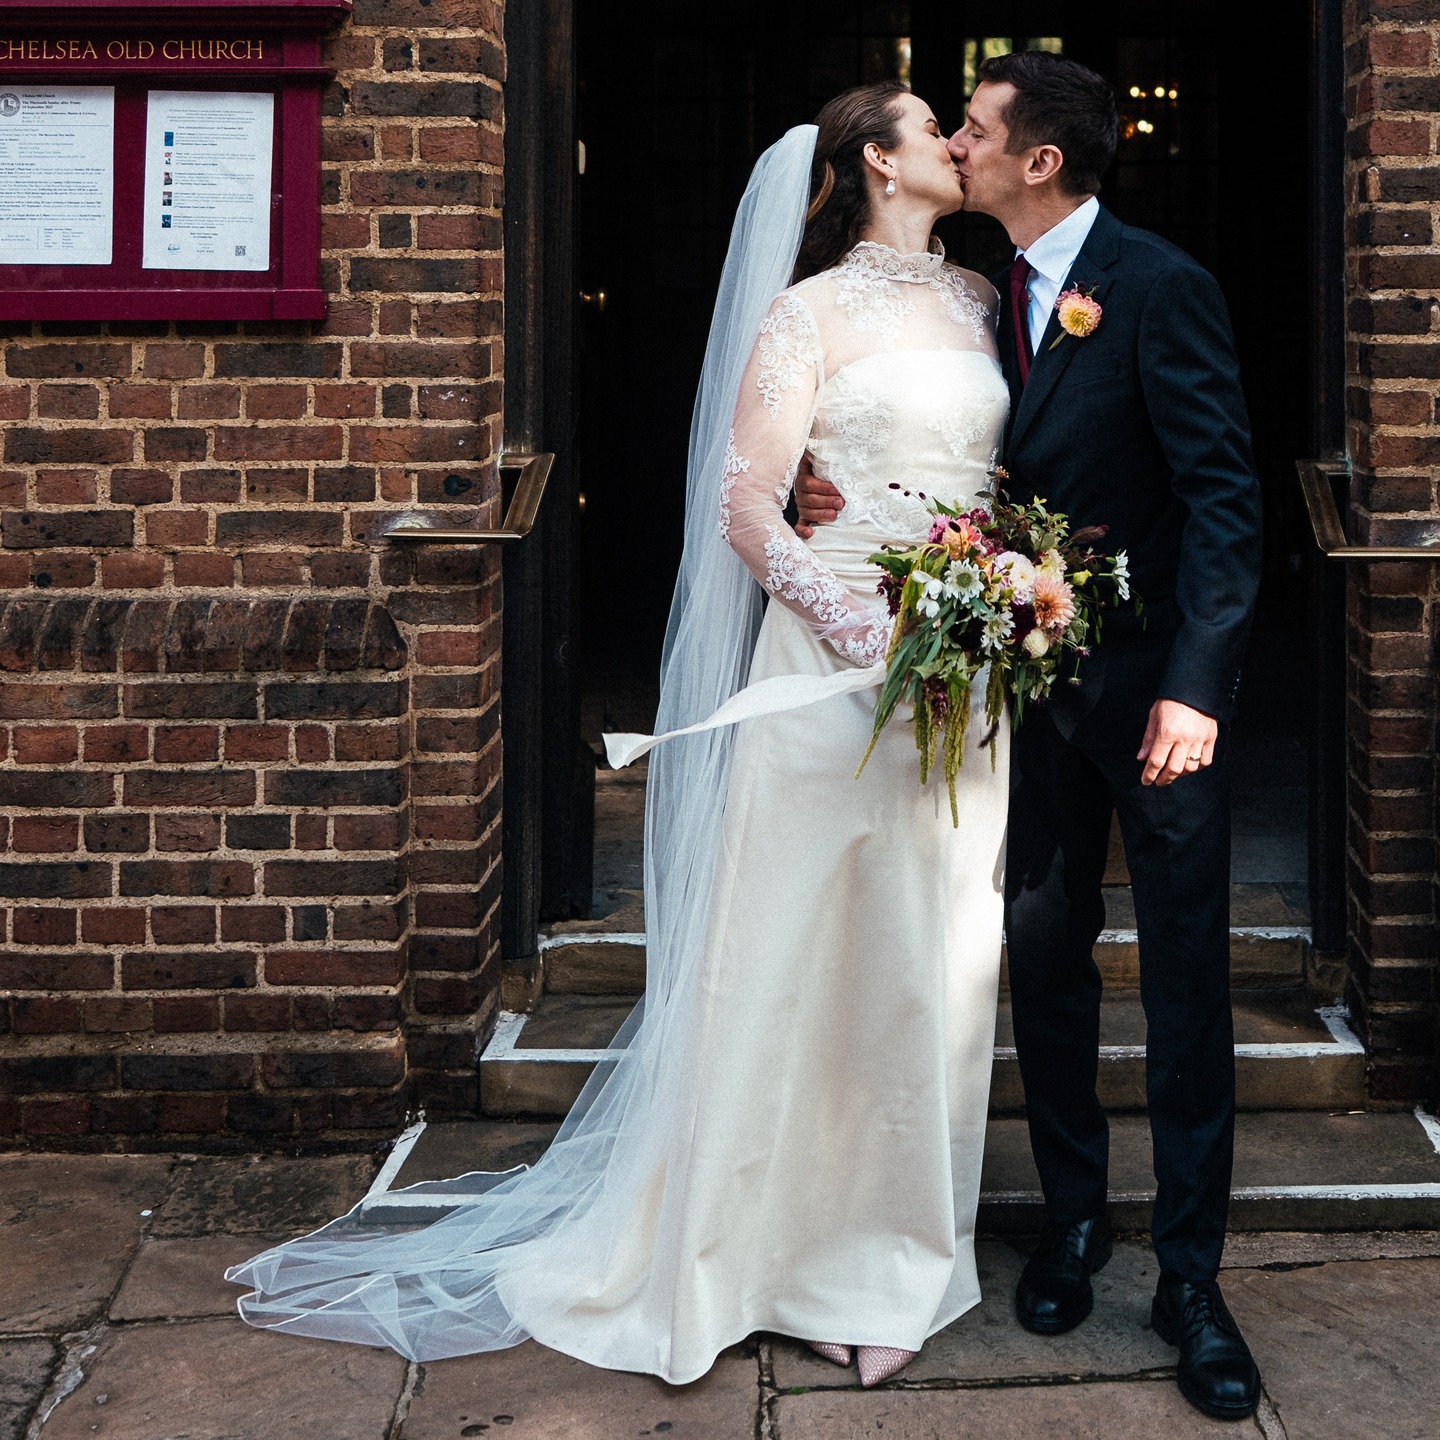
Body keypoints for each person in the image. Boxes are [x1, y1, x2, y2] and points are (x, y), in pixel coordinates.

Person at [228, 84, 1011, 1389]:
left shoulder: (983, 303)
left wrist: (990, 607)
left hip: (960, 678)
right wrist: (855, 626)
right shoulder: (804, 314)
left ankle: (891, 1252)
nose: (955, 143)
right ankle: (770, 1257)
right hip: (828, 673)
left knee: (927, 966)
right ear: (878, 158)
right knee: (806, 957)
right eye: (934, 124)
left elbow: (985, 485)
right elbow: (750, 505)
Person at [796, 52, 1265, 1422]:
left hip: (1161, 706)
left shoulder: (1163, 286)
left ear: (1038, 161)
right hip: (1025, 702)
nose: (959, 141)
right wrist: (840, 479)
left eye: (978, 128)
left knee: (1183, 983)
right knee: (1047, 961)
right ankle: (1072, 1224)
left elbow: (1227, 503)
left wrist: (1200, 689)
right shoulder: (967, 295)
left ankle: (1193, 1279)